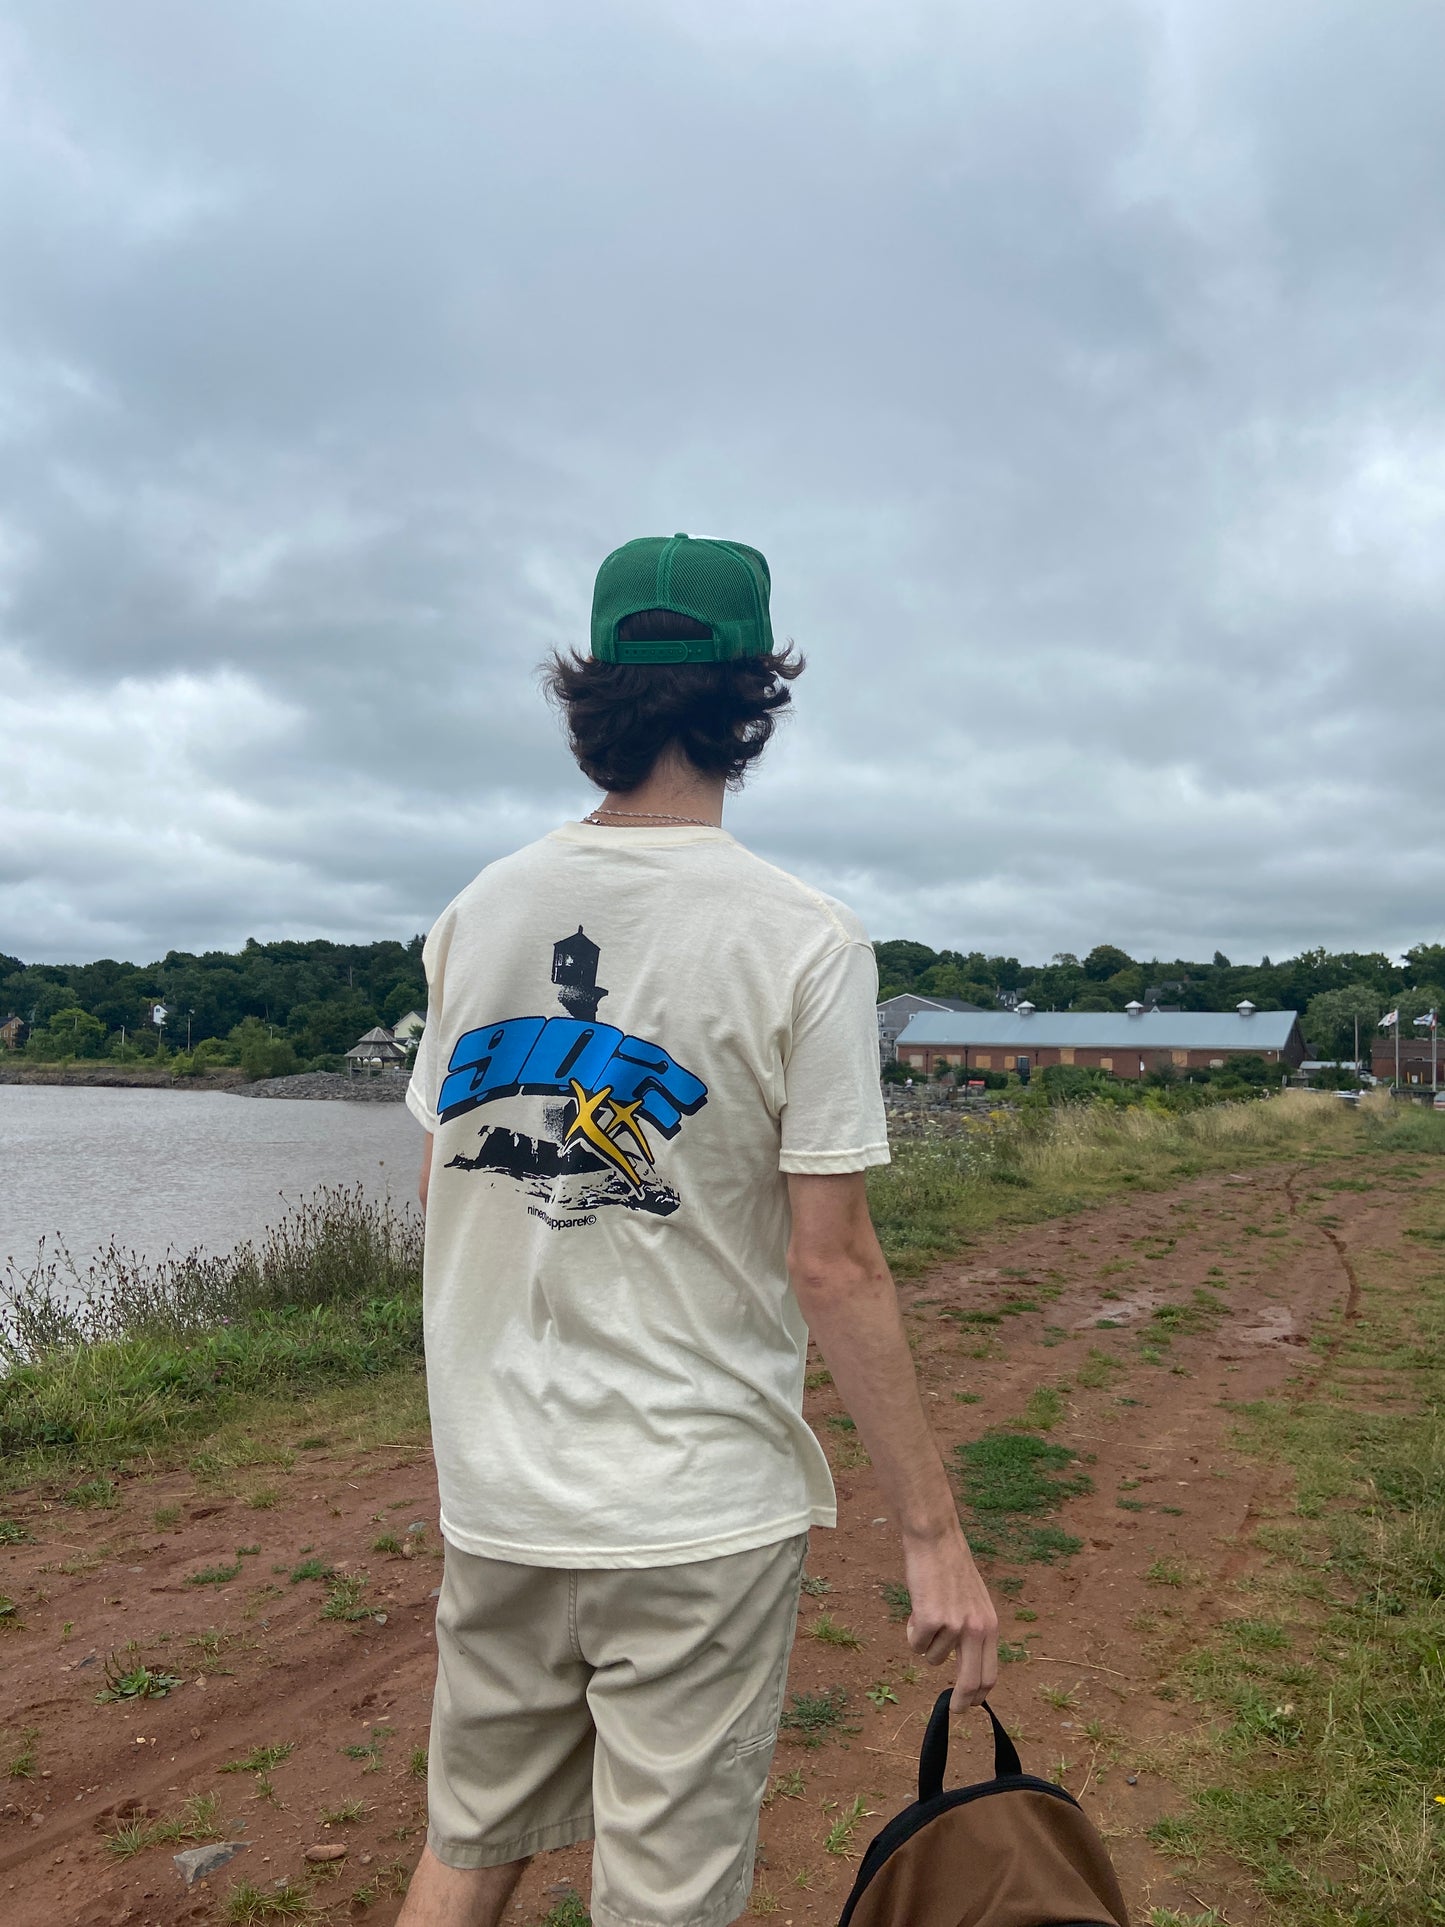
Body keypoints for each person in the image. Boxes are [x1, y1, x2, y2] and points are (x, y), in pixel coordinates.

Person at [397, 534, 997, 1927]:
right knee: (662, 1899)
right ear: (749, 700)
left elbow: (446, 1193)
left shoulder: (476, 911)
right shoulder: (801, 939)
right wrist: (931, 1532)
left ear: (588, 698)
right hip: (693, 1515)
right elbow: (831, 1258)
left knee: (469, 1845)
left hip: (496, 1493)